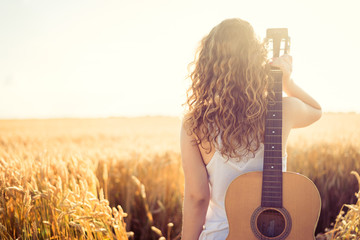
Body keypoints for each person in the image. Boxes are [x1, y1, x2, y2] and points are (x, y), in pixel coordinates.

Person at [180, 18, 322, 240]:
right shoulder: (282, 110)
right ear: (257, 63)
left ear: (206, 67)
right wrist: (287, 83)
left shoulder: (195, 123)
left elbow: (197, 197)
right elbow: (316, 110)